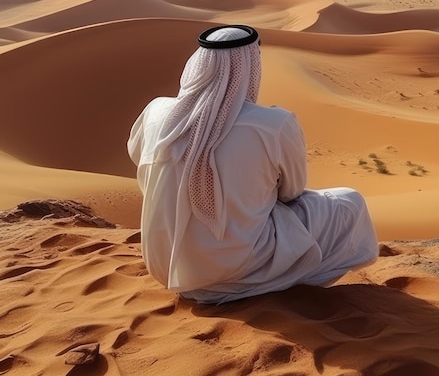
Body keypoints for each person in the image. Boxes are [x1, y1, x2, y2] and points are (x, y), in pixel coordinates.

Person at [127, 24, 378, 303]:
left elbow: (139, 158)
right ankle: (293, 283)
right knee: (349, 203)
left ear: (199, 63)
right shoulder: (273, 124)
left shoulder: (156, 112)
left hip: (166, 267)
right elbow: (292, 192)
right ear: (250, 67)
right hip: (238, 268)